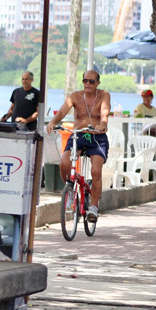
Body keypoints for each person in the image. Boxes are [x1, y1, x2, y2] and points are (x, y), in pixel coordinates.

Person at [46, 70, 111, 223]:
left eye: (92, 81)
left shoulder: (103, 95)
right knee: (64, 163)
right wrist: (53, 122)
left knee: (96, 171)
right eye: (85, 81)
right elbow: (62, 111)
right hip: (79, 135)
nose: (88, 84)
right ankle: (70, 191)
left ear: (98, 83)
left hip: (97, 136)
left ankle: (94, 207)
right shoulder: (75, 96)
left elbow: (105, 112)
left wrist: (103, 124)